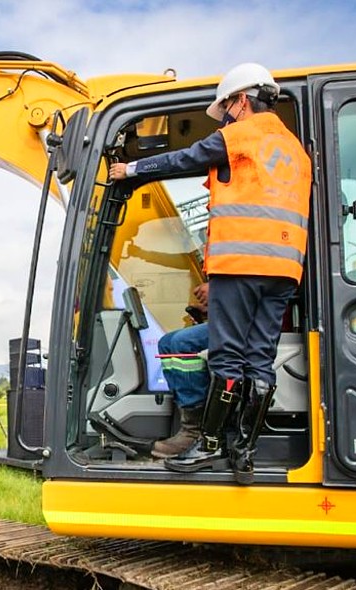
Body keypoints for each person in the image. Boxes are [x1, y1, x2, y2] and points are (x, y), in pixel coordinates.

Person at [109, 63, 311, 482]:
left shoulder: (243, 134)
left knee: (227, 356)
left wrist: (130, 170)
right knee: (259, 359)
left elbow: (187, 157)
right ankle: (244, 451)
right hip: (284, 268)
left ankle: (210, 445)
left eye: (228, 108)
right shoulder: (295, 150)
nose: (228, 117)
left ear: (241, 99)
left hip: (240, 262)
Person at [151, 284, 209, 459]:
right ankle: (185, 419)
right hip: (232, 317)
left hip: (247, 325)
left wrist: (220, 292)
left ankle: (195, 432)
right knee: (166, 343)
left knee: (183, 343)